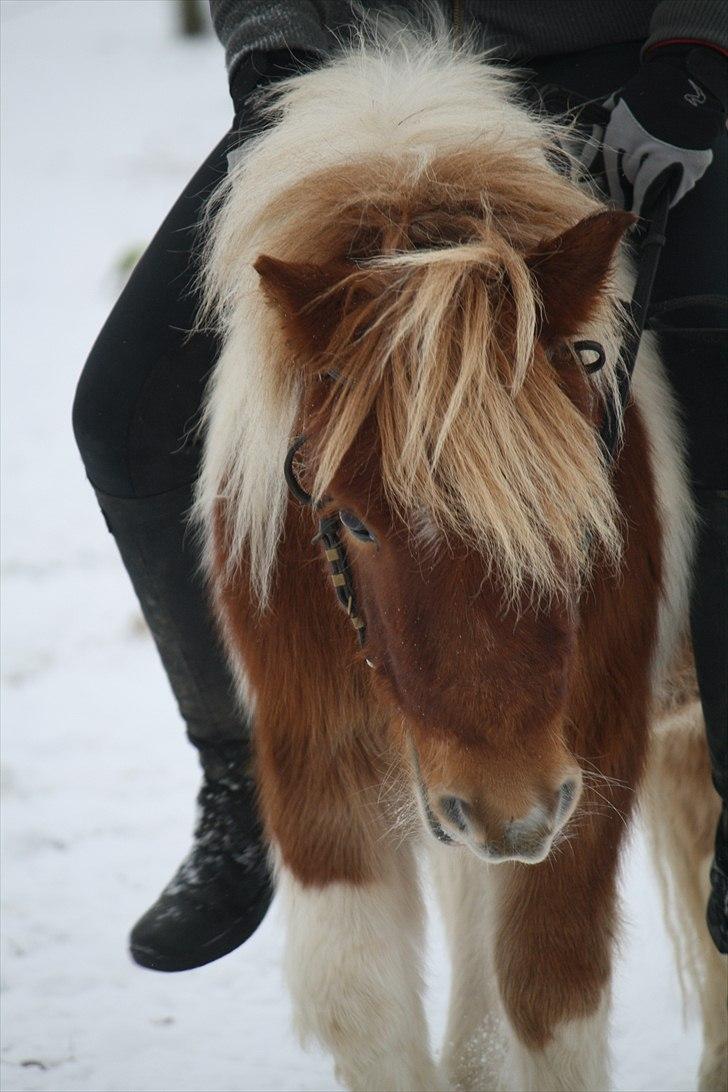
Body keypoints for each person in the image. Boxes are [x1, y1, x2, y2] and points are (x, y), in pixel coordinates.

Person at [72, 1, 727, 973]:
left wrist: (693, 53)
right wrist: (272, 53)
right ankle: (239, 785)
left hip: (623, 70)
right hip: (352, 77)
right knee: (122, 419)